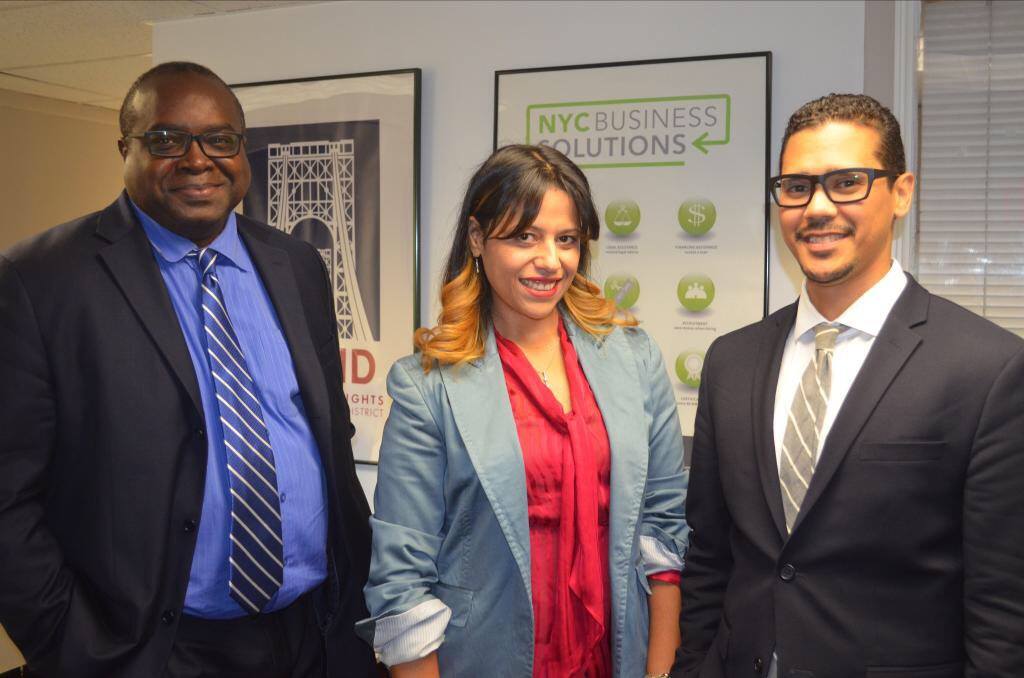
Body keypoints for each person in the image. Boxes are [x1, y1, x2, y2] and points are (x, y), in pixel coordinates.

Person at [0, 61, 376, 677]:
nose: (197, 160)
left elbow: (328, 435)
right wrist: (70, 643)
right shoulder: (41, 281)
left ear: (242, 149)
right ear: (125, 150)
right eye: (166, 140)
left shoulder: (297, 264)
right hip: (154, 650)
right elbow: (9, 497)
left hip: (317, 633)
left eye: (219, 139)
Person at [674, 93, 1024, 678]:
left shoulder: (988, 368)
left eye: (846, 183)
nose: (817, 208)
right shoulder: (731, 361)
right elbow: (710, 558)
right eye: (796, 187)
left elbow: (1002, 607)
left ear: (901, 193)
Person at [358, 144, 689, 677]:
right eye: (524, 237)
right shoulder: (428, 386)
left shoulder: (635, 358)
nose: (550, 261)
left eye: (566, 239)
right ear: (476, 239)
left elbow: (664, 527)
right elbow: (402, 582)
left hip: (614, 659)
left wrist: (659, 671)